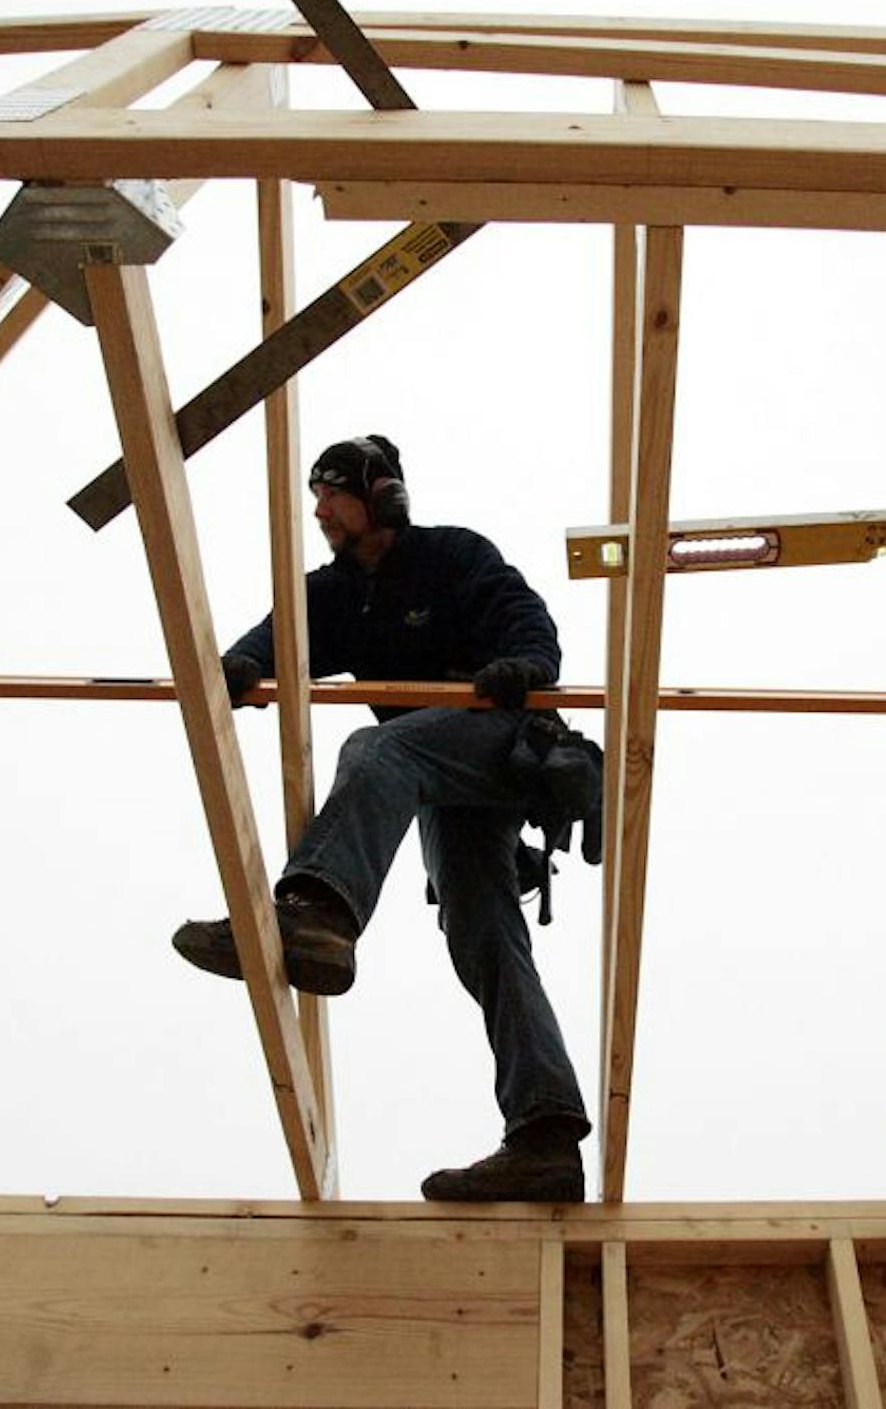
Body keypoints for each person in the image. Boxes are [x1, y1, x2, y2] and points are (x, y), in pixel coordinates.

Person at [172, 434, 593, 1202]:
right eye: (316, 495)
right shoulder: (334, 595)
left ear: (383, 496)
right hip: (439, 775)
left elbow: (524, 616)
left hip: (497, 740)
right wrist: (239, 665)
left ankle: (319, 913)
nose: (320, 509)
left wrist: (526, 666)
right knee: (483, 933)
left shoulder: (453, 555)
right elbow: (276, 638)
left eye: (334, 492)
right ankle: (546, 1134)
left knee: (375, 749)